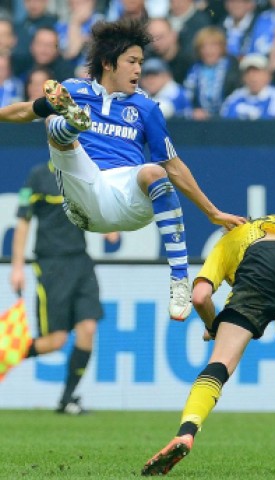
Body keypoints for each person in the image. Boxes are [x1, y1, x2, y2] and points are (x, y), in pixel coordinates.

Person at [0, 18, 246, 322]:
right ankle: (73, 123)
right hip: (84, 195)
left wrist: (211, 211)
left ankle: (179, 279)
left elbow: (174, 165)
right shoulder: (75, 89)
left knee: (155, 172)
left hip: (128, 200)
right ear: (107, 63)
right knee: (52, 124)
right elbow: (24, 110)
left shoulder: (146, 108)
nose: (138, 70)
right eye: (131, 61)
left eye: (141, 62)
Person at [141, 214, 275, 475]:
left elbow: (200, 298)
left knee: (220, 363)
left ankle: (186, 432)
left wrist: (214, 328)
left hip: (259, 266)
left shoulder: (229, 240)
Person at [10, 159, 103, 414]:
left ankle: (67, 399)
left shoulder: (82, 173)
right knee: (55, 341)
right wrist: (17, 266)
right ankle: (5, 354)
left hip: (81, 261)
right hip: (51, 264)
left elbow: (100, 207)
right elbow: (23, 221)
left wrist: (110, 228)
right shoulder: (38, 176)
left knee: (88, 327)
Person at [183, 26, 240, 120]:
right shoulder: (193, 70)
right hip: (200, 121)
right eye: (203, 46)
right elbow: (187, 96)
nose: (208, 50)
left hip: (227, 120)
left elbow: (236, 93)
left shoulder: (232, 67)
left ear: (222, 47)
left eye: (213, 45)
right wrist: (194, 110)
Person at [220, 53, 275, 119]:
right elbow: (224, 118)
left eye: (257, 72)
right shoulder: (235, 96)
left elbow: (271, 124)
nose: (253, 77)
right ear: (243, 77)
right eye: (248, 73)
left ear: (268, 75)